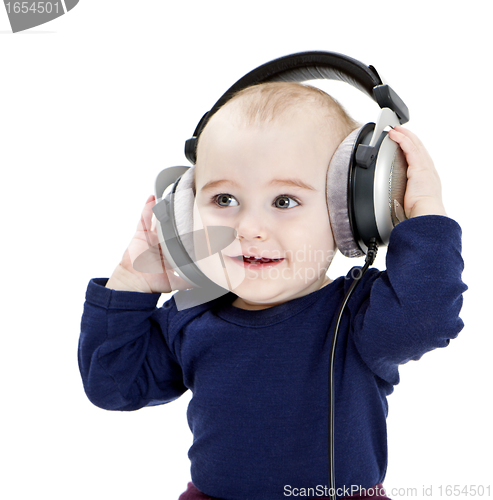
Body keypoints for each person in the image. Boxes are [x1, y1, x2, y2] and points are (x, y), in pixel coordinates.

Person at [78, 82, 466, 500]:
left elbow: (427, 319)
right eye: (224, 199)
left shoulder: (360, 313)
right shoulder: (190, 313)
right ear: (186, 212)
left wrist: (424, 213)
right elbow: (114, 385)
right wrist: (132, 283)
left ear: (349, 212)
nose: (248, 229)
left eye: (284, 201)